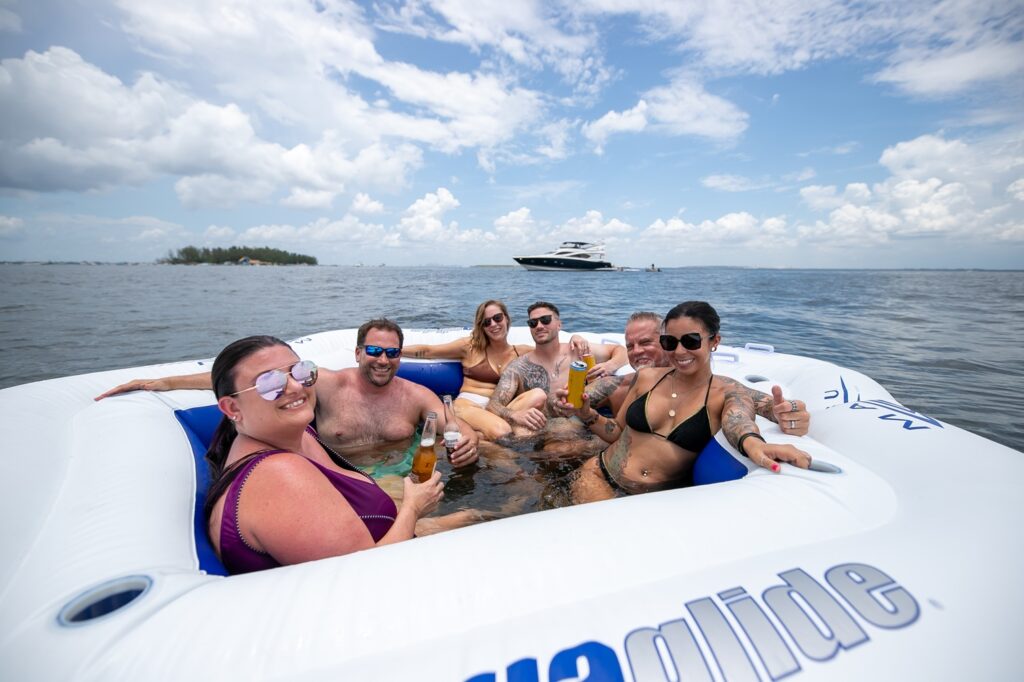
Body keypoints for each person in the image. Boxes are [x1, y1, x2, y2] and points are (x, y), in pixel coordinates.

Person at [96, 319, 481, 479]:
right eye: (375, 351)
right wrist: (164, 382)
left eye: (392, 353)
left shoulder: (416, 395)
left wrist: (467, 440)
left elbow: (453, 424)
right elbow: (254, 381)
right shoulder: (325, 384)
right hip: (340, 475)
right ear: (358, 353)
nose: (383, 360)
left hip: (403, 474)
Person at [202, 335, 443, 573]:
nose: (296, 386)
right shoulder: (277, 475)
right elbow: (365, 574)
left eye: (300, 372)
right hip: (377, 578)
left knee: (465, 519)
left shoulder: (300, 435)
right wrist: (413, 507)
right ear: (232, 407)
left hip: (389, 547)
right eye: (270, 383)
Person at [561, 301, 811, 502]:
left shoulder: (727, 391)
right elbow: (616, 432)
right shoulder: (647, 378)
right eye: (670, 342)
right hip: (597, 475)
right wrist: (586, 414)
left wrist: (760, 439)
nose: (680, 351)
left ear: (714, 341)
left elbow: (739, 421)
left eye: (691, 341)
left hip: (654, 497)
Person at [402, 299, 607, 440]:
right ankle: (481, 440)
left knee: (536, 398)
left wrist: (575, 338)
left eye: (498, 318)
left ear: (507, 319)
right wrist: (394, 351)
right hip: (468, 406)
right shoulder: (470, 347)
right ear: (482, 327)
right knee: (503, 430)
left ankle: (479, 440)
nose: (493, 324)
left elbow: (550, 347)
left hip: (497, 409)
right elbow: (428, 351)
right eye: (486, 322)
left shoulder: (520, 352)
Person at [610, 311, 810, 434]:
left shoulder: (711, 387)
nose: (636, 351)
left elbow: (759, 402)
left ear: (666, 342)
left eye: (645, 342)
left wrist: (784, 412)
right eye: (630, 346)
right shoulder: (619, 385)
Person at [485, 301, 627, 443]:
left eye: (545, 320)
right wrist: (515, 414)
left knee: (620, 384)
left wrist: (609, 365)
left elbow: (620, 350)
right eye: (533, 323)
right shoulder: (519, 367)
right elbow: (493, 405)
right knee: (564, 438)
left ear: (559, 325)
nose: (539, 326)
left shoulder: (577, 351)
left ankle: (624, 436)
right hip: (550, 431)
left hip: (587, 417)